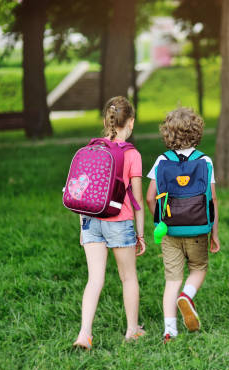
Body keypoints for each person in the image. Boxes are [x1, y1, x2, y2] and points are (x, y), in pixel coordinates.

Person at [73, 96, 146, 349]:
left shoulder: (92, 148)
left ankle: (84, 334)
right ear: (131, 123)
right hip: (119, 220)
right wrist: (141, 234)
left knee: (95, 279)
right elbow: (136, 198)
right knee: (128, 278)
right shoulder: (132, 154)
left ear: (106, 121)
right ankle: (132, 330)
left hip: (90, 218)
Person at [145, 107, 220, 343]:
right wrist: (214, 233)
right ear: (197, 131)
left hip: (170, 230)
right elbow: (212, 199)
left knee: (172, 280)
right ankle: (187, 296)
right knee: (198, 268)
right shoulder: (205, 161)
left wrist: (160, 220)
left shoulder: (161, 161)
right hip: (199, 228)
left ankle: (170, 330)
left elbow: (150, 197)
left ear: (167, 133)